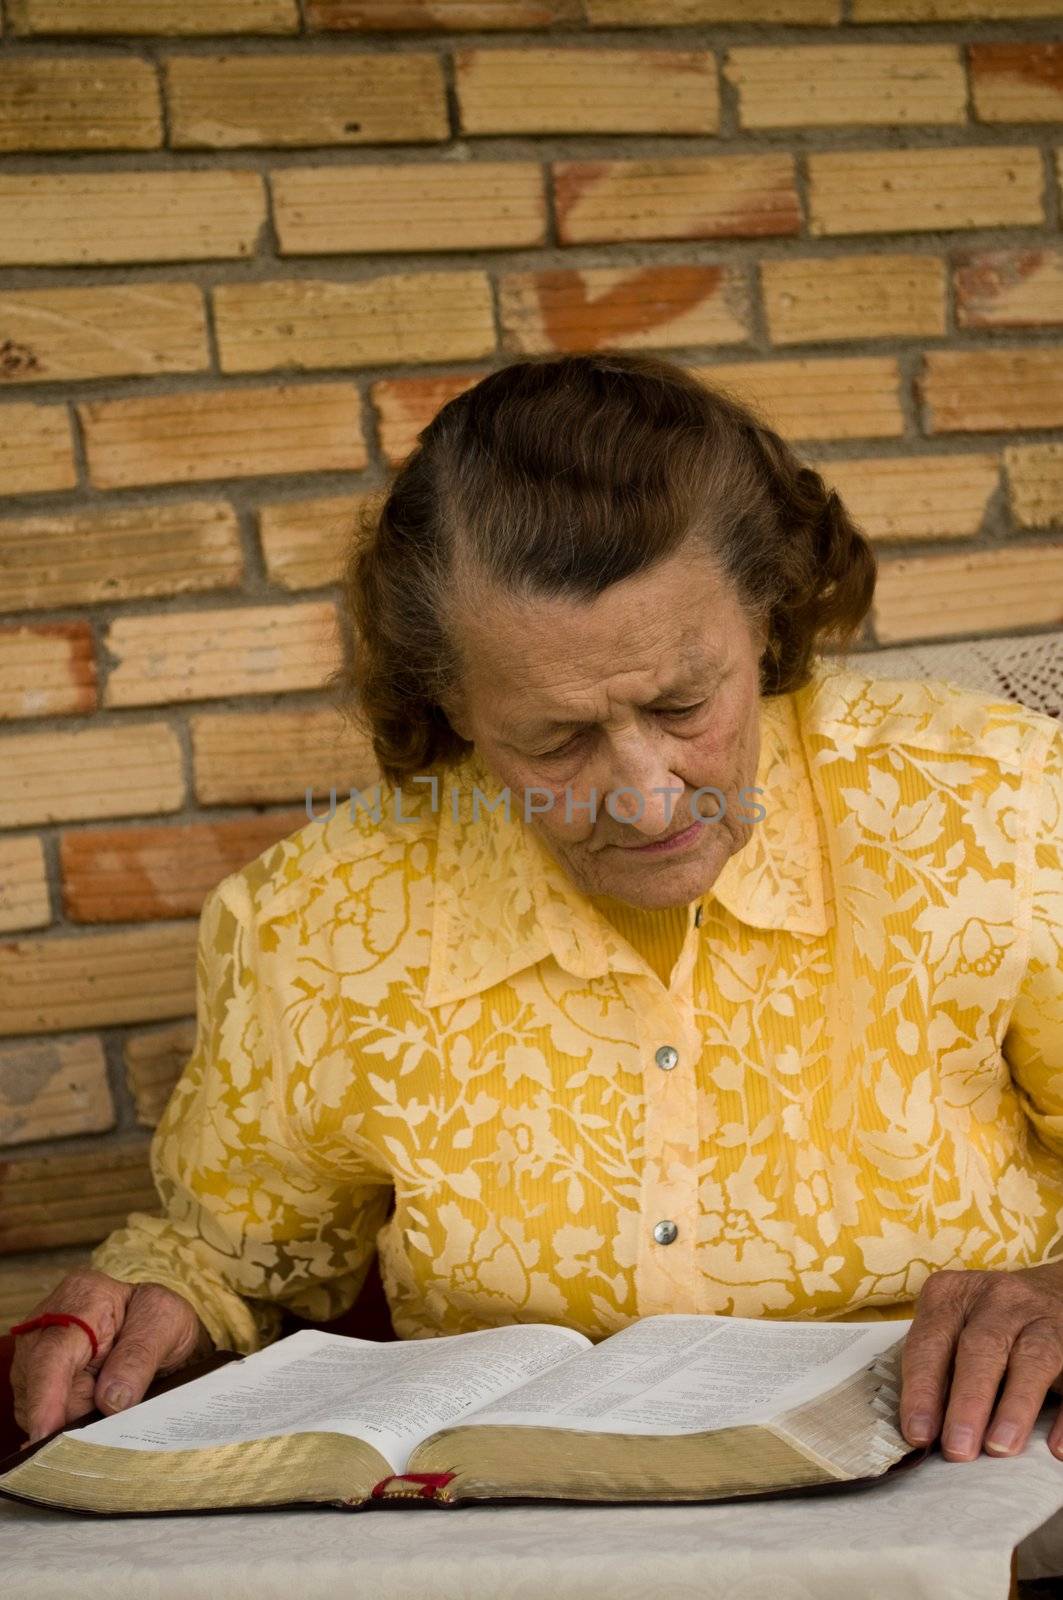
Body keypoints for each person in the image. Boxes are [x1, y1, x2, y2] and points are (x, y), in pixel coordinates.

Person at [11, 350, 1063, 1470]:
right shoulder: (319, 918)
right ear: (451, 705)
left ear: (764, 617)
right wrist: (148, 1305)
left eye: (682, 701)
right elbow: (232, 1251)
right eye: (555, 739)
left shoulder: (994, 810)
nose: (649, 792)